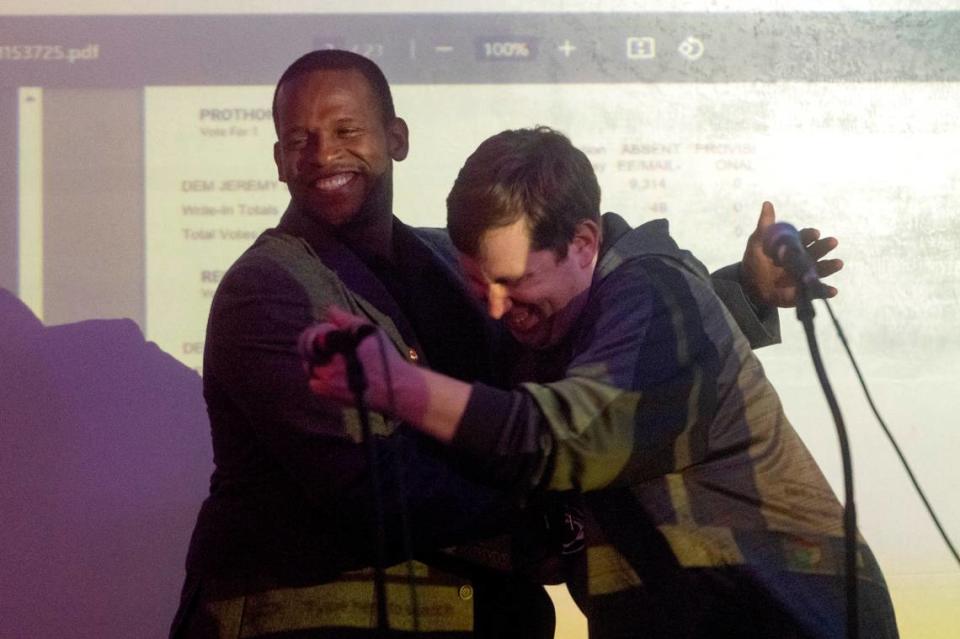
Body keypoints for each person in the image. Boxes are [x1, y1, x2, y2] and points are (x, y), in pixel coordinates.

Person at [172, 48, 837, 638]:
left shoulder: (454, 262)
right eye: (299, 138)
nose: (323, 154)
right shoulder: (264, 288)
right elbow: (369, 485)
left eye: (346, 130)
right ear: (279, 160)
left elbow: (583, 348)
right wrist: (547, 520)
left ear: (396, 138)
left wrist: (741, 297)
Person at [307, 127, 898, 638]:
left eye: (514, 281)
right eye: (478, 283)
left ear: (584, 244)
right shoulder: (554, 332)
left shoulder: (653, 292)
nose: (494, 308)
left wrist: (400, 386)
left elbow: (574, 433)